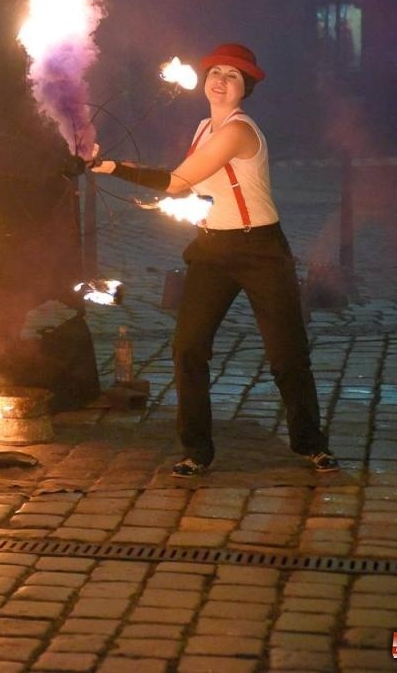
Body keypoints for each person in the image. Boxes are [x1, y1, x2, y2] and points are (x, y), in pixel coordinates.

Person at [89, 43, 337, 478]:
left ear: (246, 89)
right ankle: (197, 451)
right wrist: (115, 166)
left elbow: (174, 181)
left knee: (287, 356)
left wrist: (109, 166)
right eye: (215, 72)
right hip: (212, 251)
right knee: (188, 348)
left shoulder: (239, 131)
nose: (220, 81)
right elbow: (187, 187)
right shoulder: (205, 127)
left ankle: (310, 443)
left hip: (259, 249)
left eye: (233, 76)